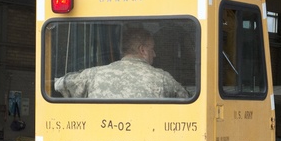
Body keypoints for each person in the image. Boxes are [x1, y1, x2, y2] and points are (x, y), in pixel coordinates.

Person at [55, 27, 189, 99]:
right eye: (152, 49)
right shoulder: (162, 79)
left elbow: (61, 84)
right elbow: (187, 99)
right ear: (142, 50)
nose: (154, 54)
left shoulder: (93, 75)